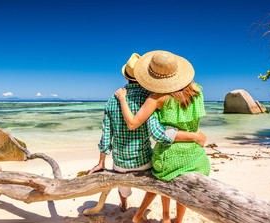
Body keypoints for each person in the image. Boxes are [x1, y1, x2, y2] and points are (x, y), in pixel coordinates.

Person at [89, 53, 207, 212]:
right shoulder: (160, 95)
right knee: (157, 178)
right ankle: (155, 213)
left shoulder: (114, 100)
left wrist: (101, 163)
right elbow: (158, 132)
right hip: (150, 160)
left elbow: (106, 137)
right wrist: (194, 136)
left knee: (123, 186)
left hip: (121, 162)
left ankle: (124, 204)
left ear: (126, 77)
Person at [115, 50, 210, 223]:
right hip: (195, 155)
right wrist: (194, 136)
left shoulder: (157, 98)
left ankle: (165, 215)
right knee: (184, 183)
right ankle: (179, 220)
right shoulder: (197, 90)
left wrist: (122, 100)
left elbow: (134, 124)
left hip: (169, 156)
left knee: (163, 174)